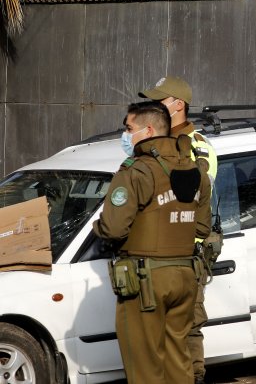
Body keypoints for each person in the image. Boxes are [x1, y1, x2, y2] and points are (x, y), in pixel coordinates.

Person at [93, 102, 211, 384]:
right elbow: (202, 227)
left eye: (129, 128)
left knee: (145, 365)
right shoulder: (195, 170)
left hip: (145, 281)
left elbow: (113, 227)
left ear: (147, 130)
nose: (125, 134)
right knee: (178, 360)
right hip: (185, 276)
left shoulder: (136, 170)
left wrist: (99, 227)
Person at [139, 75, 218, 384]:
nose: (152, 107)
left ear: (178, 106)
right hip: (152, 252)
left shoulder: (198, 148)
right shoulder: (151, 145)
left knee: (186, 330)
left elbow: (189, 193)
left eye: (159, 101)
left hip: (186, 251)